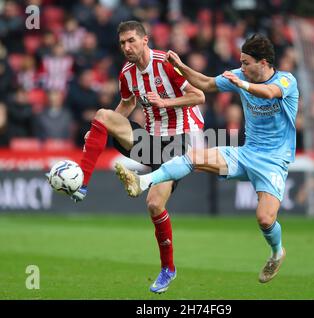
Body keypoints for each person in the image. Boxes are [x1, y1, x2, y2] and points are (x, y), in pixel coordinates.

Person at [115, 34, 299, 284]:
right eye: (241, 63)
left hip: (274, 160)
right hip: (245, 152)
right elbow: (205, 83)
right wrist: (180, 66)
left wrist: (241, 84)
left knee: (265, 219)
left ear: (263, 62)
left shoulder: (286, 80)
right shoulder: (240, 75)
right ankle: (143, 181)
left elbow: (268, 92)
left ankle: (277, 252)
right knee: (192, 157)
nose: (242, 67)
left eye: (246, 63)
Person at [49, 21, 205, 293]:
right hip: (152, 141)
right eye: (122, 43)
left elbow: (199, 95)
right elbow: (128, 103)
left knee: (155, 205)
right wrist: (101, 130)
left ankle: (168, 268)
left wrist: (165, 102)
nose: (127, 47)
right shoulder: (127, 73)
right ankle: (82, 183)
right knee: (101, 116)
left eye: (132, 40)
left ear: (146, 40)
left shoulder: (166, 63)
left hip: (181, 142)